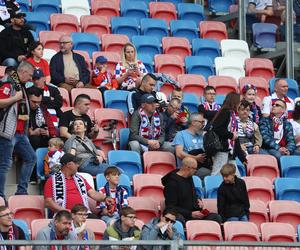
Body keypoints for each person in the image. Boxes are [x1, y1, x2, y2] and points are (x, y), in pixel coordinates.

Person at [0, 61, 36, 198]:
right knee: (4, 165)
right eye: (30, 75)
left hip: (20, 132)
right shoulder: (8, 83)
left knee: (31, 157)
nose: (31, 79)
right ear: (24, 72)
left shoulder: (19, 85)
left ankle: (21, 191)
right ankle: (1, 196)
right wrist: (15, 98)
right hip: (8, 132)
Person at [162, 157, 222, 224]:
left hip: (194, 212)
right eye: (194, 169)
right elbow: (171, 206)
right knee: (178, 218)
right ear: (188, 168)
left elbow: (193, 193)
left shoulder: (189, 177)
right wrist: (190, 213)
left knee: (216, 217)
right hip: (183, 214)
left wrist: (198, 199)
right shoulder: (172, 183)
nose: (195, 171)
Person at [43, 153, 109, 213]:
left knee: (97, 224)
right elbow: (48, 202)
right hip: (63, 215)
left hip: (83, 214)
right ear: (68, 164)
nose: (78, 165)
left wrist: (105, 198)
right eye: (76, 163)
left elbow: (92, 193)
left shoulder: (80, 178)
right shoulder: (51, 180)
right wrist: (64, 210)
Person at [211, 92, 246, 176]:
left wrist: (242, 157)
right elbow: (217, 128)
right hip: (222, 148)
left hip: (230, 151)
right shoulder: (225, 112)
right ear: (234, 101)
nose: (240, 104)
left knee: (235, 176)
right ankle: (212, 187)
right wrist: (231, 135)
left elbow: (235, 137)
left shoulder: (232, 114)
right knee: (217, 172)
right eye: (240, 101)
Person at [172, 113, 211, 179]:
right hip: (187, 169)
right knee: (211, 173)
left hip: (202, 166)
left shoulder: (202, 135)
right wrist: (195, 158)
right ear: (193, 122)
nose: (203, 125)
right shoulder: (181, 134)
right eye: (201, 122)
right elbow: (179, 153)